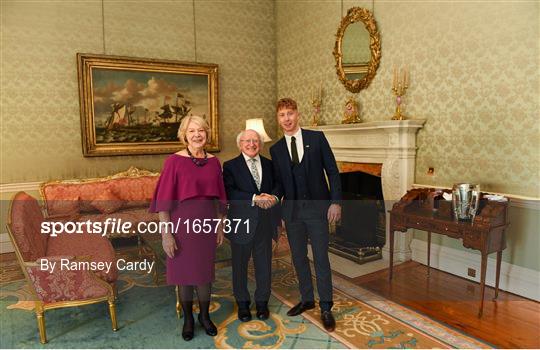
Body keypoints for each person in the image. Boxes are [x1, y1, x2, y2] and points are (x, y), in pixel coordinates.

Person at [149, 115, 227, 341]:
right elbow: (164, 200)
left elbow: (221, 197)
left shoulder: (214, 161)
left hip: (206, 225)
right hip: (181, 225)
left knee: (204, 274)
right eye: (191, 131)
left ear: (207, 133)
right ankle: (188, 319)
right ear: (184, 135)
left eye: (201, 130)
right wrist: (166, 234)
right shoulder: (173, 161)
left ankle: (204, 316)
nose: (197, 135)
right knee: (184, 275)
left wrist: (220, 225)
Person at [269, 97, 342, 332]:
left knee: (320, 257)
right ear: (278, 119)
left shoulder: (316, 138)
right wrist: (271, 199)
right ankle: (307, 298)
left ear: (297, 114)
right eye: (282, 115)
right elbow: (280, 184)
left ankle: (326, 307)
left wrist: (335, 202)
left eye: (290, 113)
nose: (287, 118)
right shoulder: (276, 149)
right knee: (298, 257)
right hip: (292, 212)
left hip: (318, 209)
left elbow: (333, 172)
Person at [222, 129, 281, 322]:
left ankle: (262, 302)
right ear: (240, 144)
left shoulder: (270, 165)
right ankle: (243, 304)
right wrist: (255, 198)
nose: (251, 144)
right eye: (247, 141)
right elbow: (230, 192)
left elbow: (279, 185)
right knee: (239, 267)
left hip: (265, 223)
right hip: (241, 224)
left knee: (264, 265)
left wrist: (273, 197)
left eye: (255, 141)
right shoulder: (230, 166)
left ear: (261, 144)